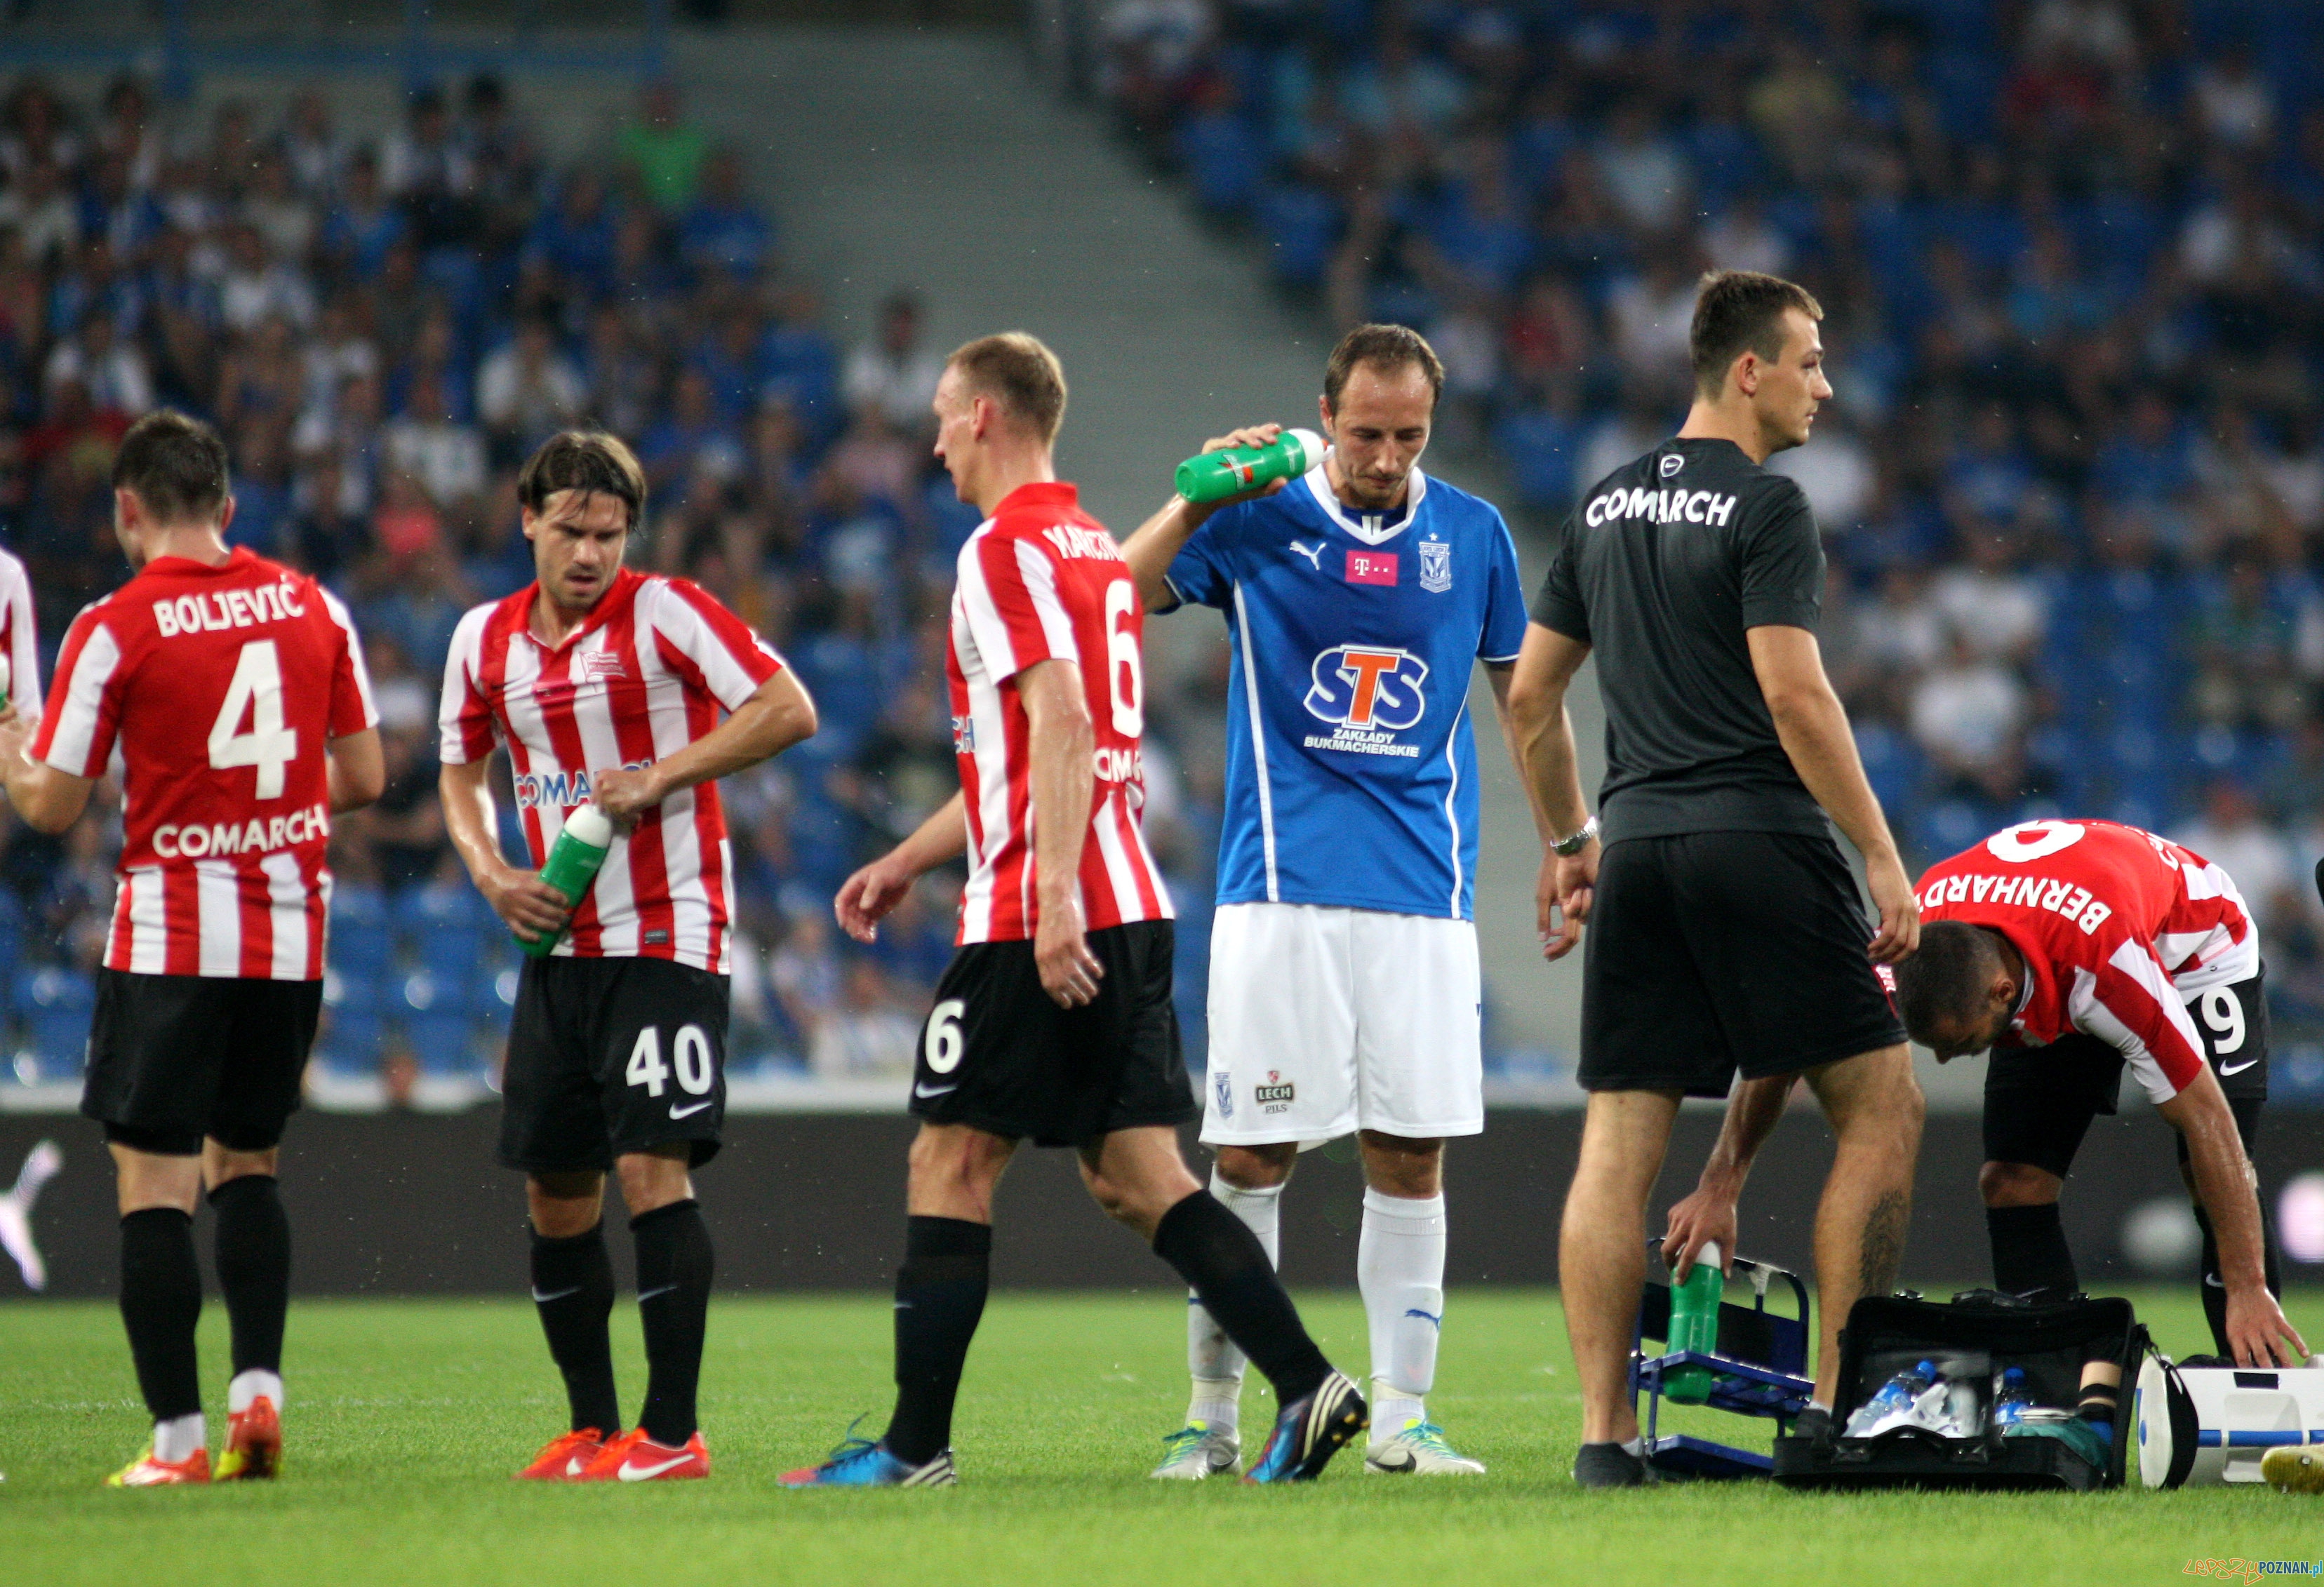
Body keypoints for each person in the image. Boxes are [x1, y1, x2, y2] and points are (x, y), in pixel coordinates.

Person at [782, 332, 1365, 1489]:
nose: (937, 437)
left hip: (1036, 916)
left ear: (988, 416)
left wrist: (1047, 899)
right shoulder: (1089, 545)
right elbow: (1023, 757)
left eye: (946, 414)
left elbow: (1062, 726)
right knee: (1137, 1174)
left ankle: (912, 1448)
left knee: (947, 1161)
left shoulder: (1000, 552)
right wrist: (907, 856)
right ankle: (1307, 1383)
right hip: (1131, 903)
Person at [1506, 270, 1925, 1487]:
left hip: (1635, 849)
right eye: (1808, 360)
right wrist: (1879, 848)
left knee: (1617, 1146)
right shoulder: (1769, 507)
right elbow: (1793, 693)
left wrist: (1571, 837)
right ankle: (1833, 1412)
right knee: (1883, 1105)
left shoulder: (1599, 508)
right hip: (1759, 835)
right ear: (1747, 370)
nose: (1823, 386)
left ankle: (1601, 1437)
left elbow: (1530, 695)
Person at [1117, 323, 1527, 1478]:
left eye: (1408, 435)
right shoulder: (1259, 514)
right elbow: (1115, 590)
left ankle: (1403, 1417)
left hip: (1422, 896)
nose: (1386, 456)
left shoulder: (1476, 535)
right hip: (1278, 889)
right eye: (1363, 434)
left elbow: (1524, 700)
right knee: (1250, 1158)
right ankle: (1212, 1417)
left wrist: (1567, 835)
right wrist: (1195, 497)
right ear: (1322, 413)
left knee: (1409, 1158)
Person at [0, 409, 384, 1485]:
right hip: (288, 941)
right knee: (248, 1166)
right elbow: (361, 776)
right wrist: (262, 814)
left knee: (155, 1186)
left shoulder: (115, 625)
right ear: (226, 506)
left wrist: (3, 732)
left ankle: (176, 1441)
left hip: (172, 938)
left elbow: (49, 802)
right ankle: (259, 1394)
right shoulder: (316, 607)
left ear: (127, 510)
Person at [437, 431, 817, 1483]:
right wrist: (489, 870)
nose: (591, 552)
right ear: (529, 520)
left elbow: (789, 706)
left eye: (609, 533)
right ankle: (592, 1429)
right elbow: (458, 772)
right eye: (571, 529)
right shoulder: (482, 639)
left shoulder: (669, 612)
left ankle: (671, 1432)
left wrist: (663, 772)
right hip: (558, 946)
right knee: (558, 1193)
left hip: (667, 935)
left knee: (653, 1167)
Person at [1895, 818, 2307, 1367]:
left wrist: (2248, 1287)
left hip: (2192, 948)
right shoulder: (1914, 939)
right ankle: (2049, 1383)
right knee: (2012, 1181)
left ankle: (2256, 1376)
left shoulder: (2109, 974)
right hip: (2056, 945)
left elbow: (2210, 1121)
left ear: (2002, 992)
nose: (1945, 1058)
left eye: (1960, 1042)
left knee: (2205, 1168)